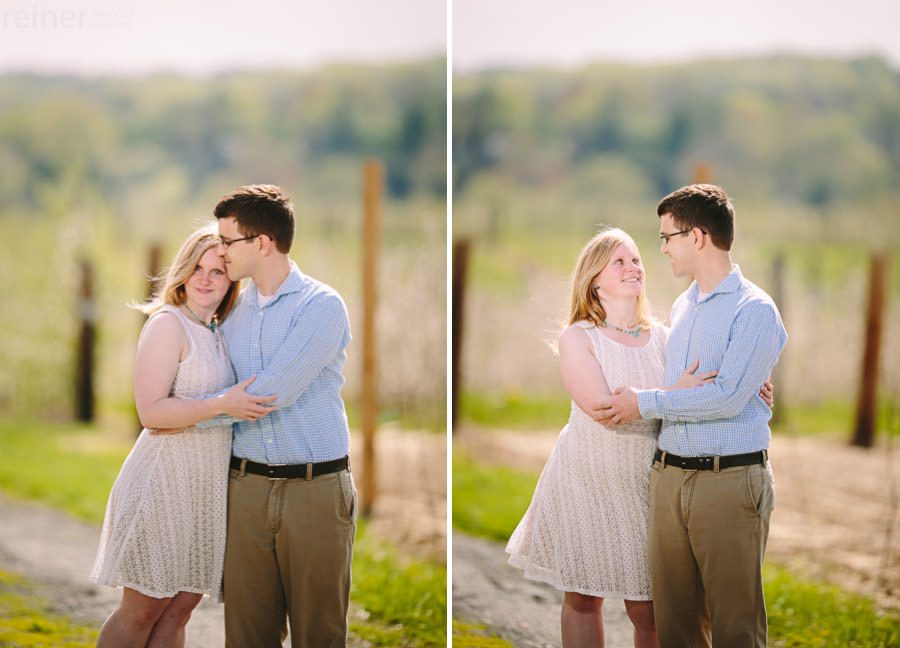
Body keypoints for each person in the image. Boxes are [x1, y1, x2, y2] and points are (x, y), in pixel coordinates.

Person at [505, 227, 774, 648]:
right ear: (595, 279)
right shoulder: (579, 337)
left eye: (636, 260)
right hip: (585, 477)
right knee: (582, 595)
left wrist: (749, 380)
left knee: (649, 607)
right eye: (620, 261)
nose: (633, 268)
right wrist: (676, 392)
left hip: (646, 482)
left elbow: (709, 383)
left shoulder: (665, 336)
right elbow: (603, 409)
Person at [598, 184, 787, 647]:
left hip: (728, 483)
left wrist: (643, 401)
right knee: (675, 627)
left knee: (734, 627)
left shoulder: (755, 310)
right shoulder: (683, 307)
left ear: (698, 237)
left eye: (668, 237)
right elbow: (684, 387)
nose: (661, 248)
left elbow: (724, 399)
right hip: (669, 479)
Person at [91, 225, 277, 648]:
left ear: (232, 280)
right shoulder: (168, 325)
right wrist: (221, 404)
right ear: (182, 271)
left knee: (179, 609)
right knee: (142, 611)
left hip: (204, 489)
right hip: (162, 484)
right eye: (197, 268)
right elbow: (152, 413)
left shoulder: (216, 330)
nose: (205, 279)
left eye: (217, 270)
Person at [193, 184, 356, 648]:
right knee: (246, 637)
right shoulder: (231, 313)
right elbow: (214, 387)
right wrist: (207, 403)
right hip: (244, 491)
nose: (220, 252)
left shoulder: (322, 306)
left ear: (261, 243)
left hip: (315, 493)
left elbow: (270, 394)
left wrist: (183, 415)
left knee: (318, 635)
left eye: (227, 242)